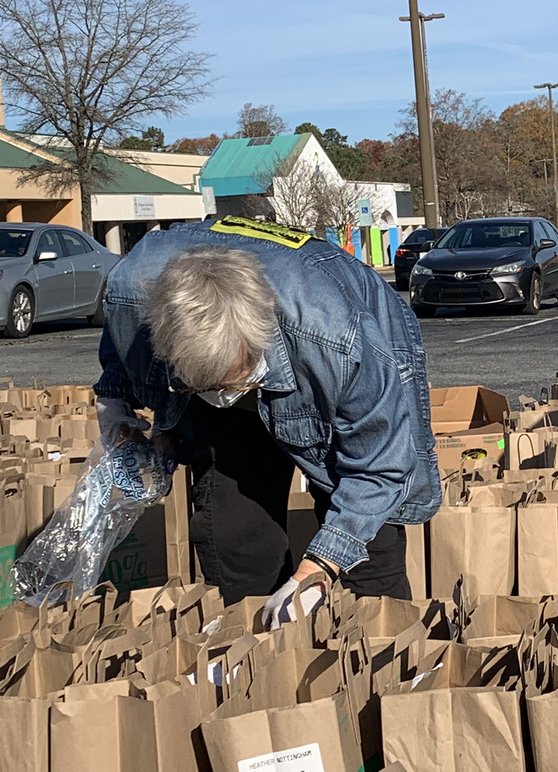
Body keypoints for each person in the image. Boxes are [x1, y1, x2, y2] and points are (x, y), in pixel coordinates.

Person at [94, 215, 440, 627]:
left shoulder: (338, 340)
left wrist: (318, 567)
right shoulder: (132, 290)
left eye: (232, 382)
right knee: (234, 536)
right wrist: (114, 401)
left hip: (335, 333)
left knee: (372, 547)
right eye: (202, 386)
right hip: (233, 340)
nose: (222, 398)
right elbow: (124, 341)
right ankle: (262, 661)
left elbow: (380, 467)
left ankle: (388, 667)